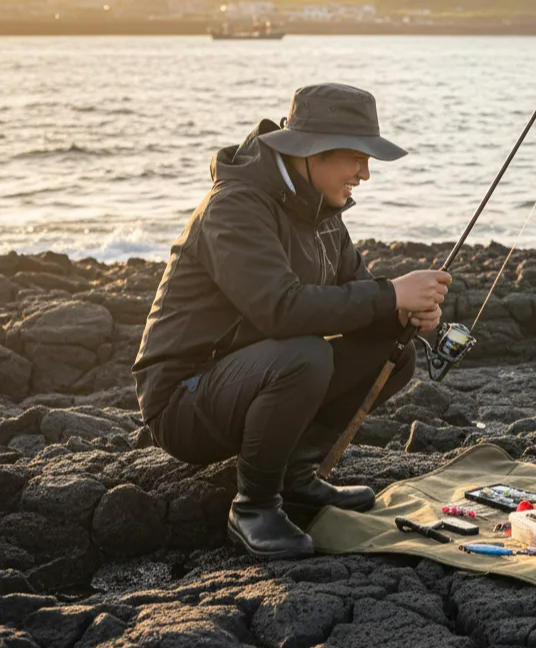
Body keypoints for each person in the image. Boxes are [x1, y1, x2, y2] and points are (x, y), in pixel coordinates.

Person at [133, 83, 451, 558]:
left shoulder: (322, 210)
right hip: (183, 399)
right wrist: (389, 294)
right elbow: (279, 309)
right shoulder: (236, 205)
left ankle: (296, 476)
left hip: (249, 375)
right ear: (314, 151)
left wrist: (404, 313)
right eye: (358, 158)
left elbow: (361, 300)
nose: (365, 174)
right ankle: (254, 507)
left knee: (393, 350)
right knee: (306, 354)